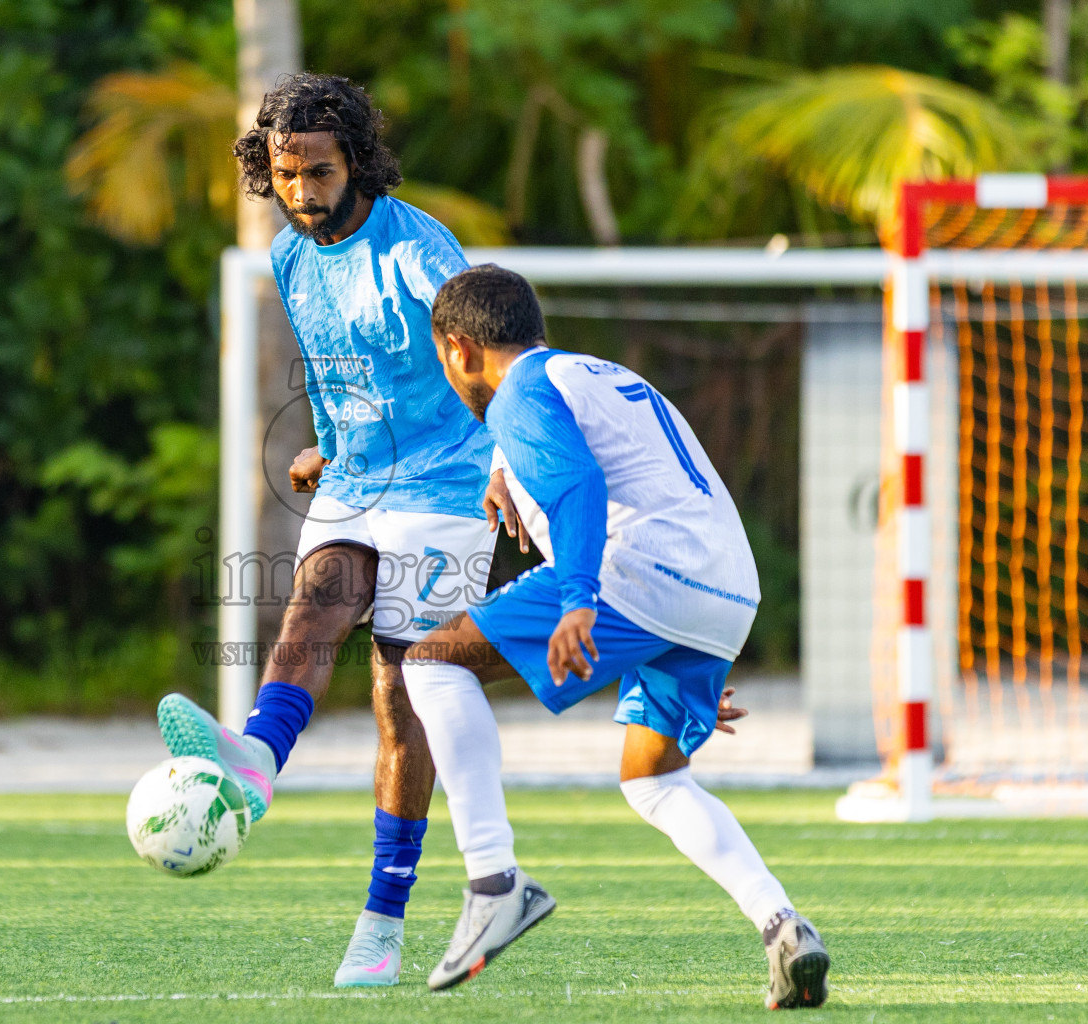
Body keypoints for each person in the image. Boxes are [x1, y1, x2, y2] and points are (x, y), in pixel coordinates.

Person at [153, 74, 521, 987]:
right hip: (356, 477)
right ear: (267, 172)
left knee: (401, 696)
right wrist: (323, 437)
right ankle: (254, 765)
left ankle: (382, 924)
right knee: (309, 611)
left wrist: (513, 456)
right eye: (287, 175)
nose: (305, 193)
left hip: (445, 482)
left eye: (319, 172)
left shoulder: (417, 248)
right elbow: (329, 363)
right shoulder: (287, 256)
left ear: (354, 162)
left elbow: (493, 354)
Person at [397, 265, 829, 1008]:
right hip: (724, 589)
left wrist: (578, 601)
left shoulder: (522, 394)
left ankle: (494, 882)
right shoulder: (593, 374)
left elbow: (579, 487)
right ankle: (782, 925)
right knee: (655, 779)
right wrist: (678, 634)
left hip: (636, 574)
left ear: (462, 349)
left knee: (432, 663)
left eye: (445, 362)